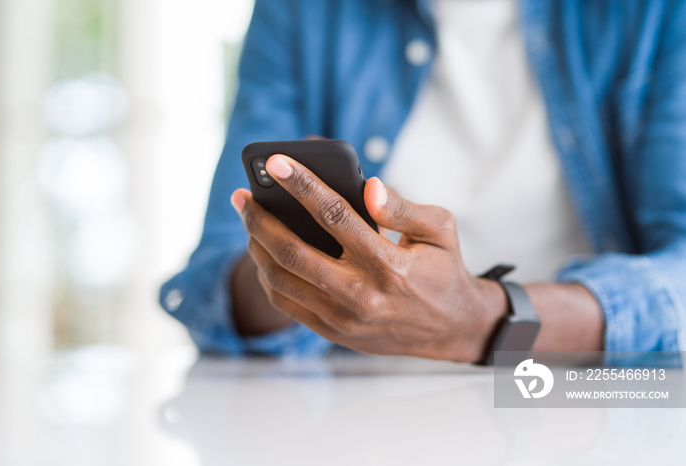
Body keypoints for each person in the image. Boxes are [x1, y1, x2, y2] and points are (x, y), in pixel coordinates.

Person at [160, 0, 686, 362]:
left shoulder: (658, 14)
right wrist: (295, 267)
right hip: (356, 419)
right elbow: (213, 282)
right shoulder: (303, 11)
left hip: (587, 402)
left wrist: (482, 320)